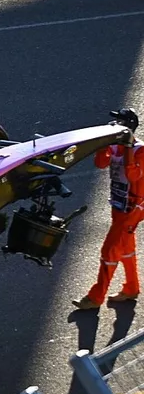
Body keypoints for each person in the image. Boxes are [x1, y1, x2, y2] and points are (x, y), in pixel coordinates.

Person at [73, 109, 144, 309]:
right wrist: (103, 144)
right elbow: (101, 163)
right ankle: (131, 287)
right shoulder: (114, 147)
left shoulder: (140, 150)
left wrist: (128, 147)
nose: (113, 124)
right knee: (126, 248)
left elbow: (133, 176)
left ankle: (96, 297)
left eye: (118, 122)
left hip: (133, 208)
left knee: (109, 250)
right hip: (118, 204)